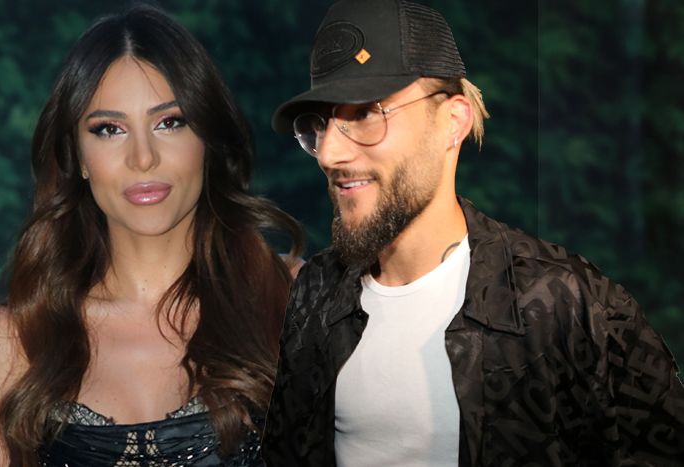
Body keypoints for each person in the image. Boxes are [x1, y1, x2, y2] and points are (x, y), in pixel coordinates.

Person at [261, 1, 684, 466]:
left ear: (452, 122)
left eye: (365, 114)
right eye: (320, 125)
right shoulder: (316, 293)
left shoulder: (564, 302)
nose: (329, 154)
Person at [0, 5, 303, 466]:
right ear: (78, 158)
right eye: (109, 129)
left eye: (170, 122)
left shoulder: (291, 300)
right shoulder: (16, 340)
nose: (142, 158)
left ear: (207, 139)